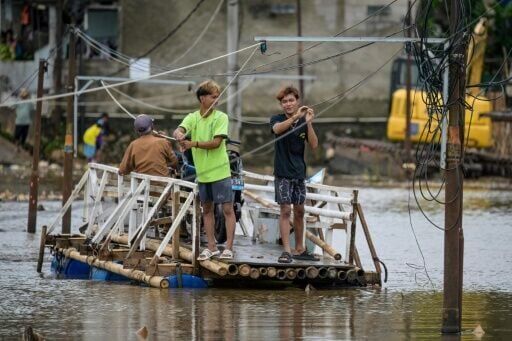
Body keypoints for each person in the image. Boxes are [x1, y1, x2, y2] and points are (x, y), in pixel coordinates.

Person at [173, 80, 236, 261]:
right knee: (206, 209)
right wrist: (179, 135)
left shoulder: (221, 117)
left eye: (218, 97)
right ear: (202, 98)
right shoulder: (193, 117)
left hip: (220, 172)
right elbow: (180, 129)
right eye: (213, 97)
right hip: (203, 174)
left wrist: (193, 143)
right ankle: (211, 247)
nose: (216, 100)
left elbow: (216, 143)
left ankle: (229, 248)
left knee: (227, 209)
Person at [270, 85, 319, 263]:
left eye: (291, 100)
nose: (288, 104)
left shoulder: (303, 122)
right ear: (281, 104)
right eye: (284, 101)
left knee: (299, 211)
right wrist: (297, 116)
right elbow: (277, 129)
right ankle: (287, 251)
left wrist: (308, 123)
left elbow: (314, 145)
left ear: (297, 101)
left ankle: (300, 248)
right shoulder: (276, 119)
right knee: (285, 211)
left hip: (299, 174)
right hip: (282, 173)